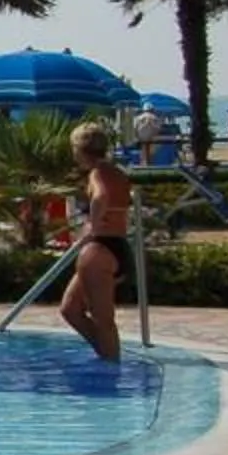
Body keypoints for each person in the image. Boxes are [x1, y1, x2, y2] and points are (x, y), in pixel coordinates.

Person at [59, 122, 134, 361]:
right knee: (70, 309)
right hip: (118, 245)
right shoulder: (118, 172)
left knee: (103, 320)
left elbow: (101, 196)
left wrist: (92, 226)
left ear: (80, 150)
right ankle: (106, 353)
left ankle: (112, 367)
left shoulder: (97, 174)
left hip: (100, 248)